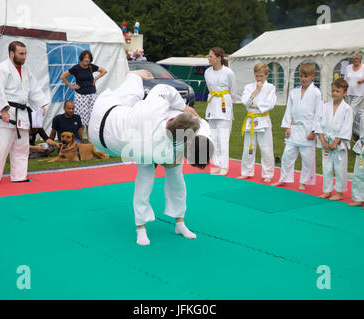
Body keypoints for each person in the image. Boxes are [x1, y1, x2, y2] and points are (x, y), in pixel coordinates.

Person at [88, 70, 214, 246]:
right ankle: (141, 227)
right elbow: (162, 88)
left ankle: (180, 222)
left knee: (177, 180)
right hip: (106, 119)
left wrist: (184, 107)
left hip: (156, 133)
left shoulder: (199, 129)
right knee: (145, 181)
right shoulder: (147, 125)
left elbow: (166, 91)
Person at [0, 41, 48, 186]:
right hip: (8, 113)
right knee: (1, 147)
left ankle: (19, 176)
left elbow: (34, 90)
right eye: (21, 53)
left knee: (22, 147)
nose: (24, 56)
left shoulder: (26, 70)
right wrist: (3, 111)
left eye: (25, 53)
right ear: (11, 53)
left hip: (22, 114)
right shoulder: (0, 69)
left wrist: (41, 105)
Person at [272, 63, 322, 190]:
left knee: (307, 158)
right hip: (294, 127)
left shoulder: (316, 93)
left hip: (308, 129)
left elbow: (318, 113)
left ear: (312, 76)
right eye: (301, 76)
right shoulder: (294, 92)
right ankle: (283, 178)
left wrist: (314, 131)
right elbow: (288, 110)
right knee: (287, 155)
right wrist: (287, 127)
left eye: (306, 76)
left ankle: (303, 181)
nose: (303, 79)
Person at [238, 62, 276, 183]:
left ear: (266, 75)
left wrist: (256, 105)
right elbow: (245, 102)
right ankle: (246, 171)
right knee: (248, 147)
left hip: (263, 119)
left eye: (261, 76)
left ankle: (268, 173)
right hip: (251, 120)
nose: (259, 78)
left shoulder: (271, 88)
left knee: (266, 148)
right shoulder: (249, 87)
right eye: (256, 76)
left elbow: (270, 104)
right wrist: (256, 90)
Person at [316, 79, 353, 200]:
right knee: (326, 167)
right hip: (326, 141)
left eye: (338, 91)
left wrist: (336, 142)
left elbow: (346, 127)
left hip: (339, 143)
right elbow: (318, 123)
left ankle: (339, 192)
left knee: (339, 168)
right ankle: (327, 190)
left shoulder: (347, 109)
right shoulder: (325, 106)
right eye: (333, 90)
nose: (334, 93)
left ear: (344, 93)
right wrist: (322, 140)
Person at [60, 50, 107, 143]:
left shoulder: (91, 67)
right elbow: (62, 76)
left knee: (90, 117)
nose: (87, 59)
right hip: (80, 96)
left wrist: (95, 78)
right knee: (80, 118)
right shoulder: (76, 68)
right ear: (82, 58)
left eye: (89, 58)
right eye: (85, 57)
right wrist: (71, 86)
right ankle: (80, 139)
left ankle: (90, 140)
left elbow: (104, 71)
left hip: (92, 95)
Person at [204, 47, 237, 176]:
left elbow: (233, 91)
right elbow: (209, 87)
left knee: (223, 138)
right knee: (213, 137)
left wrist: (228, 102)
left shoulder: (229, 72)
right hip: (212, 105)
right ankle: (216, 164)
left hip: (224, 105)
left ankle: (224, 166)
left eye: (211, 56)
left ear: (218, 58)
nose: (209, 58)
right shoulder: (207, 72)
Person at [344, 53, 364, 138]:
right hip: (348, 93)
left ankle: (347, 131)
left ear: (360, 60)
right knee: (351, 111)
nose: (355, 60)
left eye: (357, 59)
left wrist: (363, 79)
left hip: (359, 93)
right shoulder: (348, 67)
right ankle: (355, 130)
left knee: (351, 111)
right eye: (354, 59)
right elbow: (345, 80)